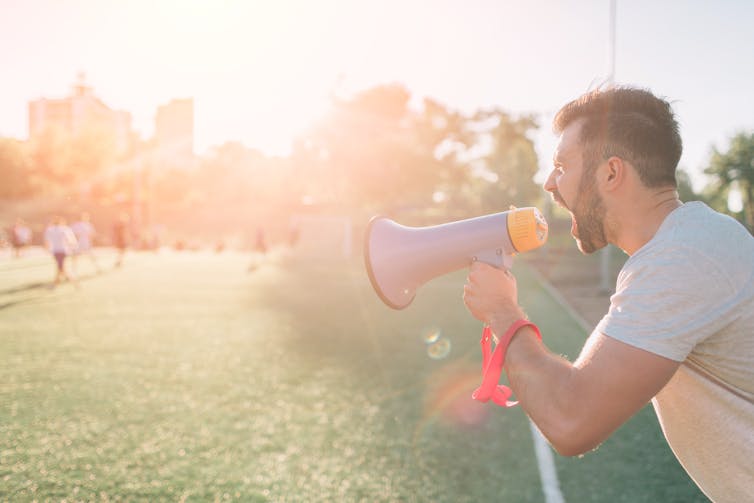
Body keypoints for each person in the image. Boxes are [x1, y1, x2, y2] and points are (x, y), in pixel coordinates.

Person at [463, 86, 753, 502]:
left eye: (562, 166)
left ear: (611, 173)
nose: (548, 182)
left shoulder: (682, 258)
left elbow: (570, 418)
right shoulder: (691, 242)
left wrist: (502, 312)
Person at [44, 216, 78, 287]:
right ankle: (60, 282)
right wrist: (73, 249)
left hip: (55, 251)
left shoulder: (49, 229)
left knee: (61, 268)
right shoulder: (64, 229)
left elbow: (47, 241)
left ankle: (57, 283)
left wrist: (47, 250)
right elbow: (70, 240)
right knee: (60, 268)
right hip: (63, 250)